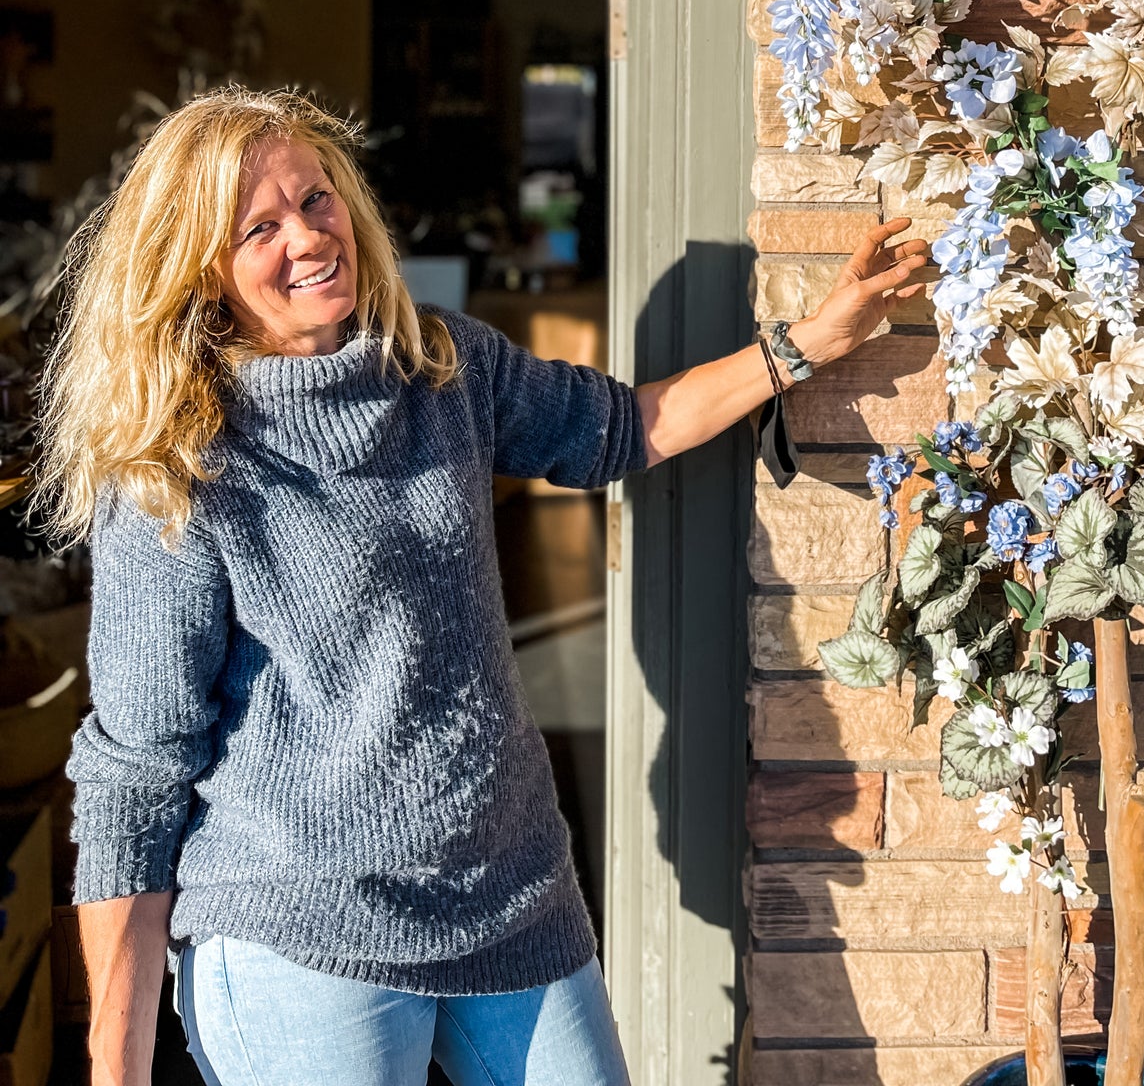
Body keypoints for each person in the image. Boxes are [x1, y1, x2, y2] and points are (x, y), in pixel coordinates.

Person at [33, 86, 929, 1086]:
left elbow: (625, 425)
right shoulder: (179, 466)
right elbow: (136, 768)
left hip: (510, 897)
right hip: (299, 926)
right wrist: (116, 1059)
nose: (310, 236)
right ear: (202, 269)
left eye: (317, 198)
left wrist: (813, 340)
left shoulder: (440, 364)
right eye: (261, 226)